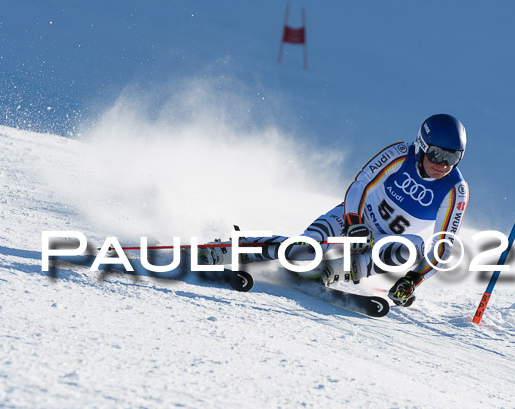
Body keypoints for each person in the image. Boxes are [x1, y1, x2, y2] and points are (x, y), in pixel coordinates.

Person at [198, 113, 469, 307]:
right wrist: (353, 222)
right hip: (353, 218)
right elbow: (360, 184)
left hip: (384, 242)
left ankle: (328, 272)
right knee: (300, 251)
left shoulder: (455, 189)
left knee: (410, 248)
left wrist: (414, 280)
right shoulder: (400, 154)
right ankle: (236, 248)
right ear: (422, 145)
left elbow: (442, 245)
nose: (443, 165)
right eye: (437, 154)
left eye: (453, 158)